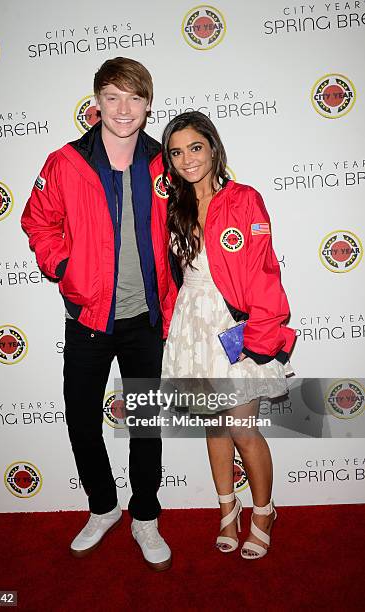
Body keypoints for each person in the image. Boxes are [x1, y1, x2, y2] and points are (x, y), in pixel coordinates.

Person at [21, 57, 176, 571]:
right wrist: (65, 267)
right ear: (96, 103)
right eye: (112, 96)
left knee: (147, 425)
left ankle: (145, 517)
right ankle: (104, 507)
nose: (123, 108)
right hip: (89, 317)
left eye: (134, 97)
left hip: (147, 320)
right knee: (83, 422)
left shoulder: (163, 163)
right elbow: (37, 221)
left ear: (148, 104)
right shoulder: (66, 161)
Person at [157, 111, 296, 559]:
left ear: (213, 148)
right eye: (176, 152)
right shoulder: (172, 206)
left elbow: (262, 269)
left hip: (235, 323)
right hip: (190, 323)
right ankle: (226, 509)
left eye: (195, 147)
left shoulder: (244, 200)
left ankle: (263, 512)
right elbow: (170, 276)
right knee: (215, 425)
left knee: (242, 427)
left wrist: (260, 334)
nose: (187, 159)